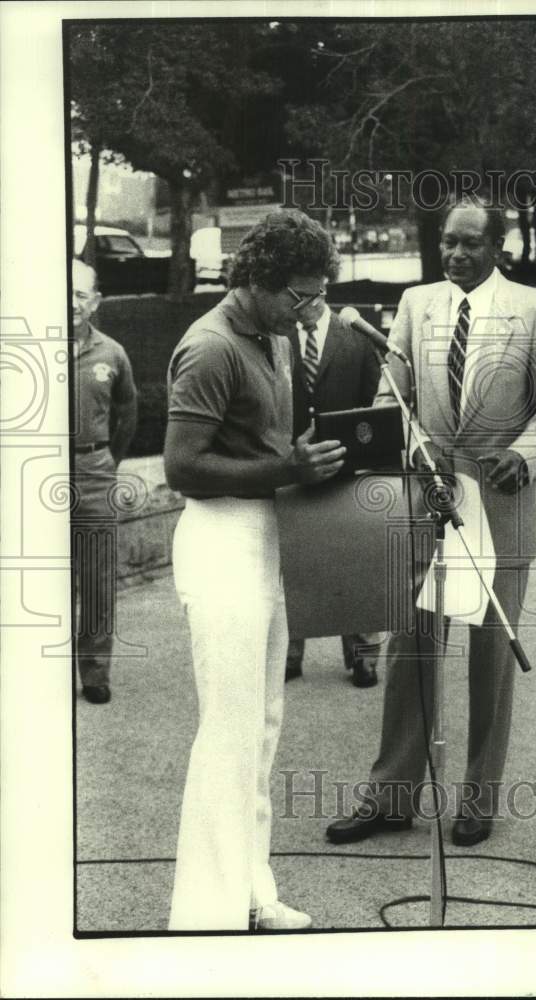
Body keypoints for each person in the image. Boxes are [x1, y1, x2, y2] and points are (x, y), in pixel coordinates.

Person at [326, 198, 536, 848]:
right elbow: (391, 398)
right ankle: (391, 796)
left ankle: (478, 799)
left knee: (491, 657)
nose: (456, 254)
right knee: (414, 652)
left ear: (499, 246)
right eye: (448, 242)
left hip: (501, 505)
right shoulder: (416, 305)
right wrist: (413, 449)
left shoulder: (534, 307)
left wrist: (524, 457)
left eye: (470, 243)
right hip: (429, 503)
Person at [164, 210, 346, 931]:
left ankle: (250, 892)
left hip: (265, 533)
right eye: (300, 296)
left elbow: (264, 446)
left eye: (316, 296)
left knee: (262, 726)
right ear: (258, 282)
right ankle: (204, 919)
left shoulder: (272, 332)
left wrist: (309, 467)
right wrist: (284, 467)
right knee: (229, 731)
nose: (312, 310)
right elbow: (182, 467)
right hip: (220, 540)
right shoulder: (209, 348)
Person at [285, 299, 383, 688]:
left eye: (306, 295)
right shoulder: (278, 334)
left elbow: (376, 399)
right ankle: (289, 656)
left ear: (322, 290)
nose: (299, 304)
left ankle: (363, 658)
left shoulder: (354, 337)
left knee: (355, 568)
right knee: (292, 566)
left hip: (348, 467)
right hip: (292, 466)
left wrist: (366, 456)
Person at [71, 258, 137, 705]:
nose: (71, 301)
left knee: (96, 577)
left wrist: (110, 458)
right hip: (35, 474)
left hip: (93, 473)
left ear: (95, 302)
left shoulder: (112, 353)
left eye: (80, 294)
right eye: (63, 290)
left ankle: (95, 671)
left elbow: (128, 411)